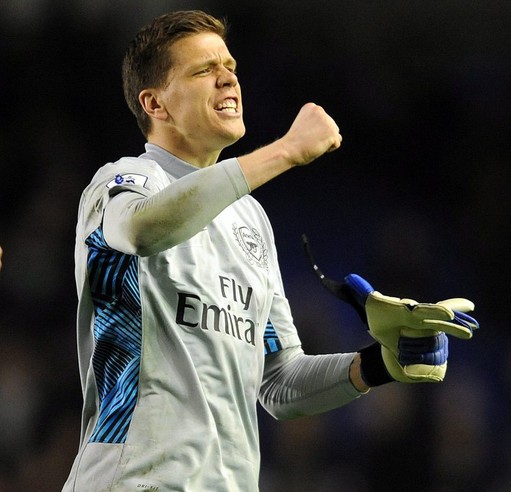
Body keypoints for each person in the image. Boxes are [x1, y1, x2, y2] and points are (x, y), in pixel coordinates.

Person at [63, 10, 477, 491]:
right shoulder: (122, 183)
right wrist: (286, 150)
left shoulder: (250, 220)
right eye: (203, 70)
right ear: (155, 103)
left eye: (230, 67)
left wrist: (382, 362)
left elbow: (280, 382)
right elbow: (141, 229)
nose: (227, 80)